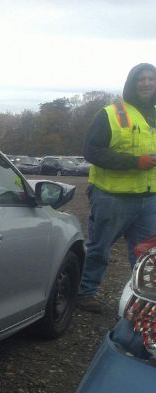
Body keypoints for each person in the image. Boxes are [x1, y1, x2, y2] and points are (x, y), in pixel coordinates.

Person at [77, 62, 156, 312]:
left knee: (145, 256)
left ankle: (139, 301)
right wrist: (135, 162)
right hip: (112, 197)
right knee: (99, 249)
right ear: (131, 83)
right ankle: (83, 293)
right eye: (140, 79)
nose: (146, 83)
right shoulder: (111, 113)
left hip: (149, 197)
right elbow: (91, 151)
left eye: (150, 79)